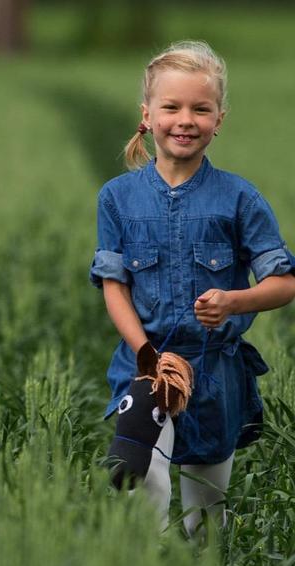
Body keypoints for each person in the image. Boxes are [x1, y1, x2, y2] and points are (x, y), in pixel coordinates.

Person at [89, 40, 295, 537]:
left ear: (218, 118)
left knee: (206, 512)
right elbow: (113, 284)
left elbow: (284, 282)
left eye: (200, 109)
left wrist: (235, 301)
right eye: (171, 107)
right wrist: (145, 354)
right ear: (147, 114)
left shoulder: (239, 198)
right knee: (144, 482)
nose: (185, 119)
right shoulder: (118, 198)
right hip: (148, 366)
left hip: (216, 372)